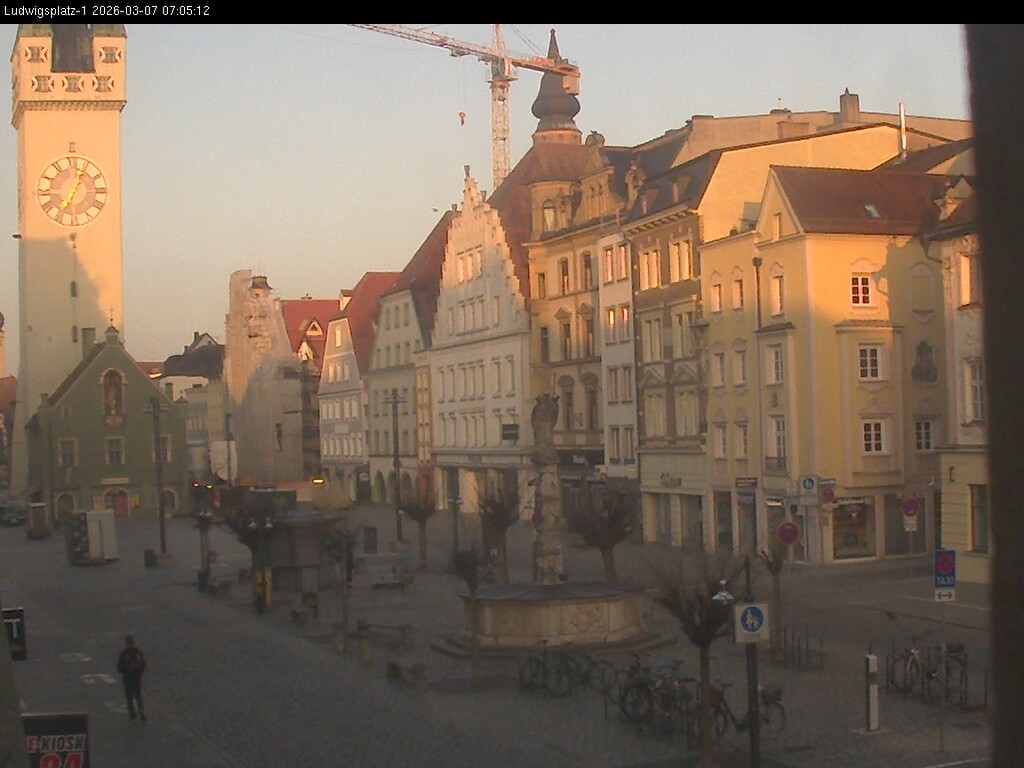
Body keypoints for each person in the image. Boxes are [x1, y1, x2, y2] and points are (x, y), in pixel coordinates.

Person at [116, 635, 146, 721]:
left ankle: (132, 714)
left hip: (127, 678)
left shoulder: (124, 653)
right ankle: (141, 710)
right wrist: (139, 672)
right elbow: (143, 664)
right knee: (137, 694)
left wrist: (124, 671)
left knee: (129, 696)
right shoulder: (137, 652)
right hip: (137, 677)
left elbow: (119, 667)